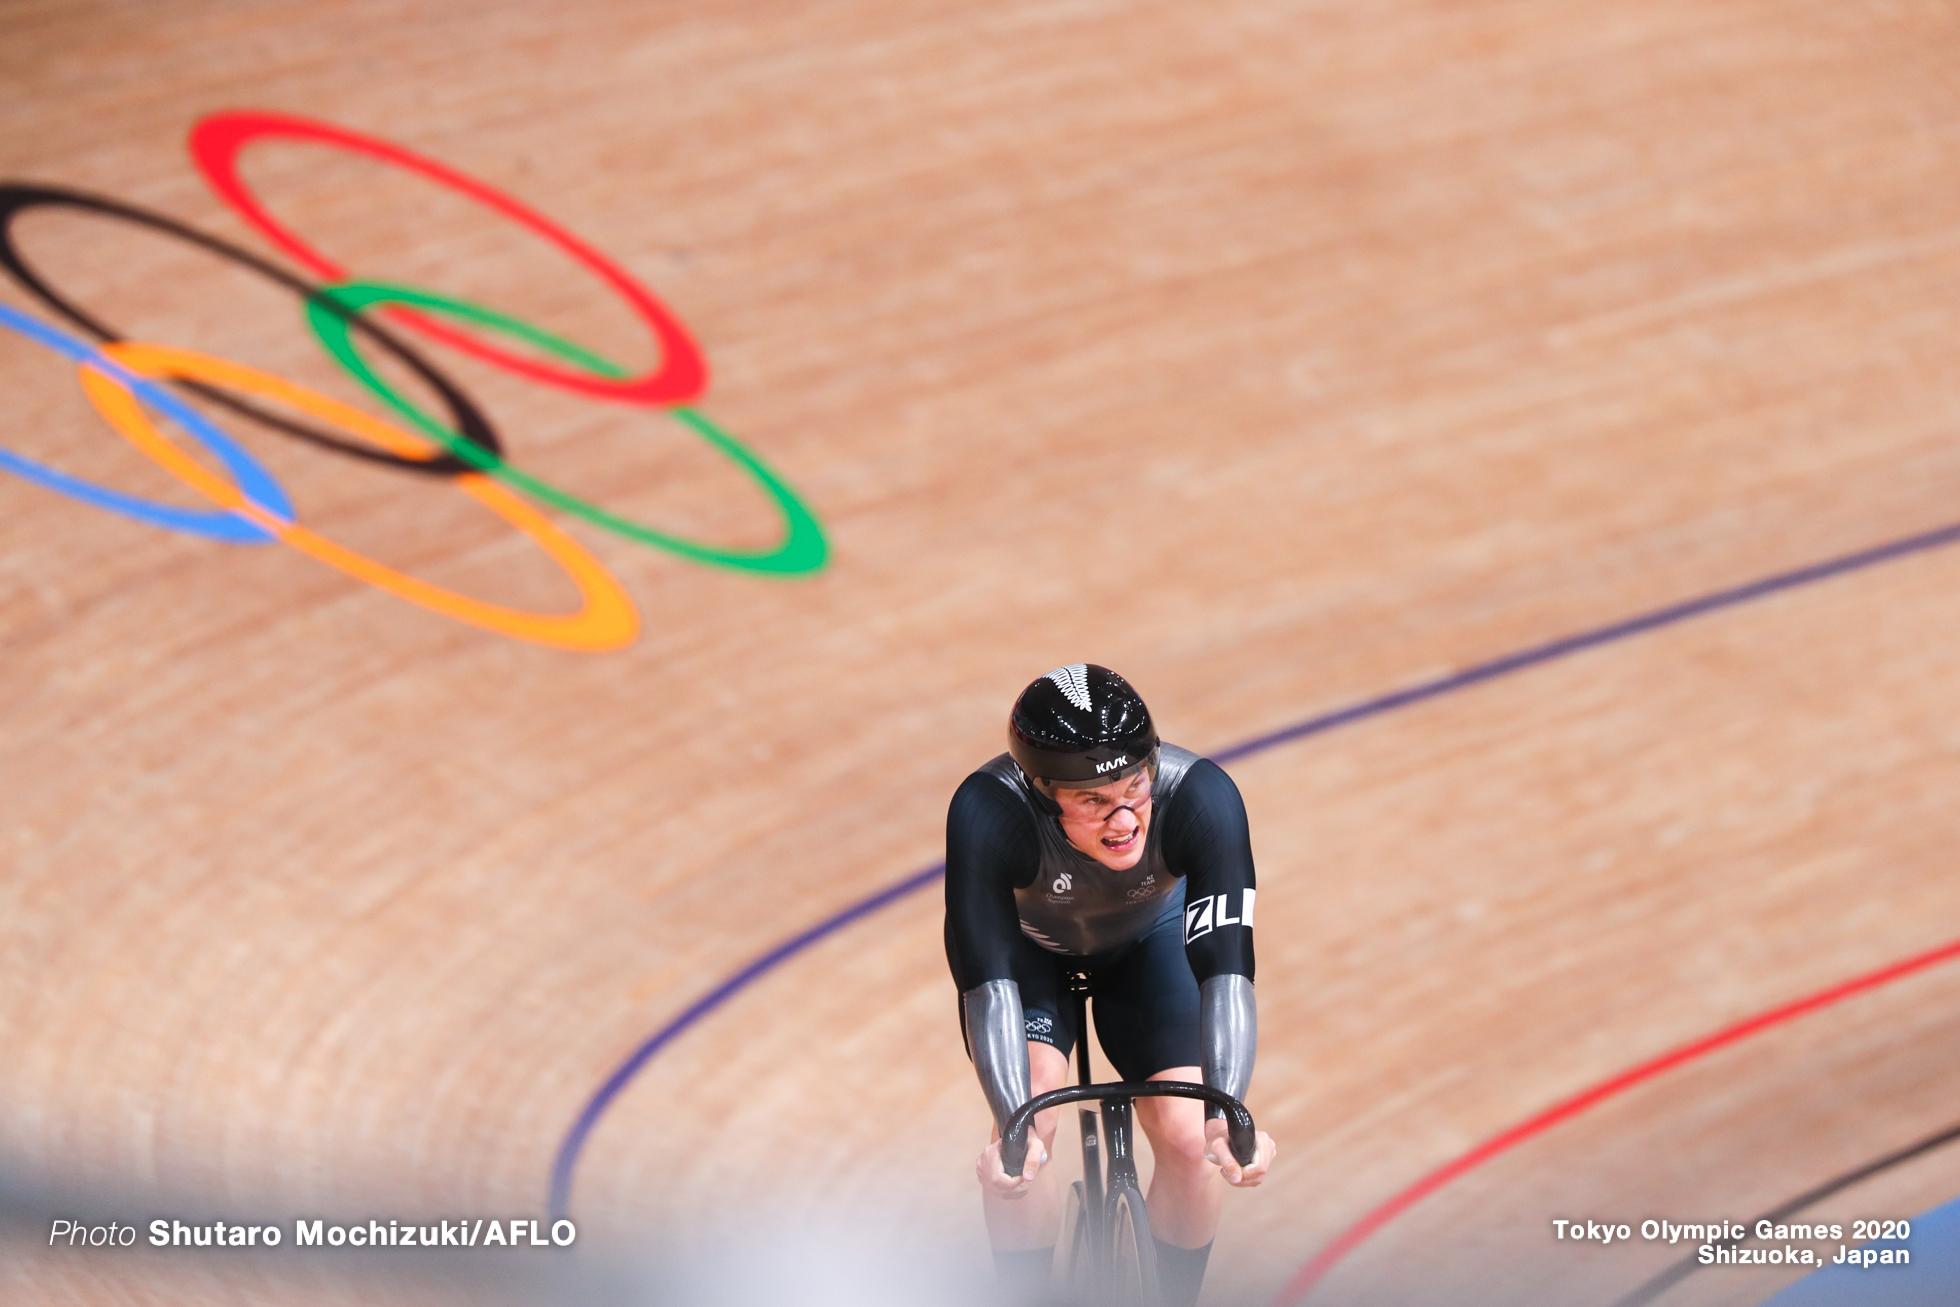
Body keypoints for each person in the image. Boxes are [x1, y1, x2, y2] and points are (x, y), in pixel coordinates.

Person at [944, 663, 1277, 1306]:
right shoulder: (989, 811)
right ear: (1041, 794)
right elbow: (987, 982)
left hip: (1148, 948)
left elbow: (1228, 970)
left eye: (1134, 785)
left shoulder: (1201, 796)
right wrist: (1013, 1131)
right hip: (1029, 957)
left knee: (1187, 1137)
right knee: (1028, 1133)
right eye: (1092, 801)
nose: (1124, 819)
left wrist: (1226, 1116)